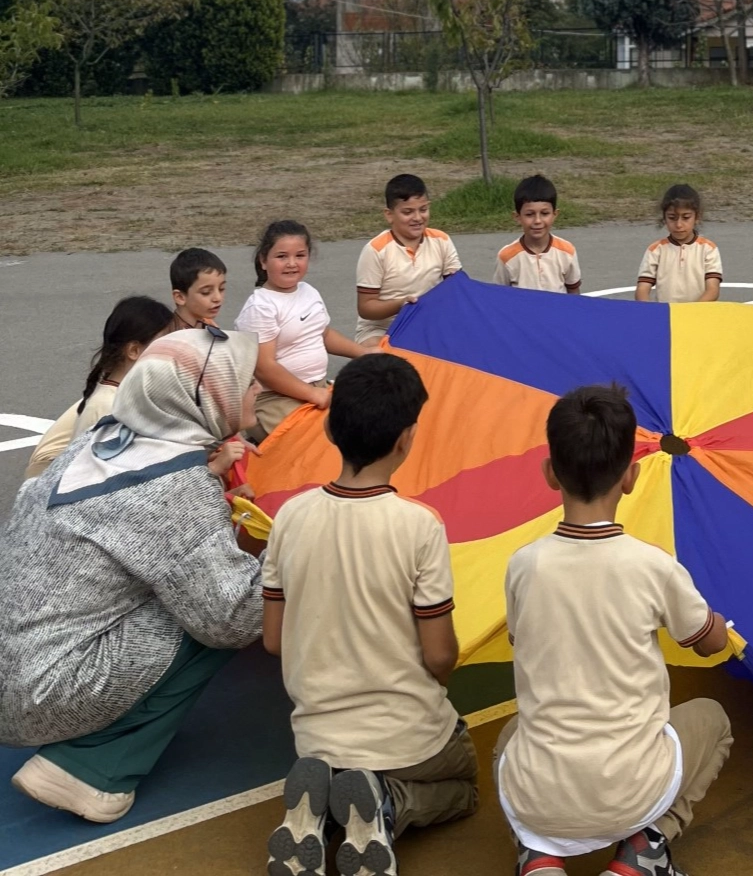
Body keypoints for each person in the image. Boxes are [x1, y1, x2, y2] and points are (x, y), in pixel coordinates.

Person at [2, 329, 264, 822]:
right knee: (222, 607)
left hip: (17, 663)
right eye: (246, 380)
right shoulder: (177, 486)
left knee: (190, 581)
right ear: (210, 395)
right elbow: (231, 619)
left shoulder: (100, 440)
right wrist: (291, 548)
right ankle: (93, 768)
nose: (257, 389)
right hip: (39, 694)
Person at [495, 385, 733, 876]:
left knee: (511, 737)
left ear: (550, 472)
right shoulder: (653, 566)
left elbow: (523, 640)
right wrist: (712, 620)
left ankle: (538, 856)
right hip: (632, 790)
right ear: (631, 476)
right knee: (713, 719)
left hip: (541, 794)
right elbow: (710, 644)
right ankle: (643, 853)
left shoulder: (523, 566)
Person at [263, 354, 476, 876]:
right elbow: (439, 655)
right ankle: (386, 803)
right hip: (407, 737)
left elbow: (273, 640)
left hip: (317, 737)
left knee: (341, 770)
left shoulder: (290, 516)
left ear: (329, 429)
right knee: (465, 786)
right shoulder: (419, 526)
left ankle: (318, 817)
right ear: (407, 438)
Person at [237, 220, 374, 440]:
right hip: (274, 399)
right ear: (263, 260)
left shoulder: (308, 291)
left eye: (300, 255)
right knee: (318, 442)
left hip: (318, 388)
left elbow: (323, 334)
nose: (292, 263)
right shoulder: (261, 306)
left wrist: (364, 353)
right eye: (282, 256)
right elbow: (264, 368)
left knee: (366, 423)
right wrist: (312, 394)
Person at [24, 296, 175, 480]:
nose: (173, 353)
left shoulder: (124, 390)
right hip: (48, 474)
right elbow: (88, 474)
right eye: (165, 344)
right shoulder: (109, 406)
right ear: (134, 351)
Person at [355, 173, 462, 346]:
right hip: (382, 329)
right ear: (389, 215)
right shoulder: (376, 250)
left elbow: (458, 287)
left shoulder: (441, 240)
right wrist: (401, 304)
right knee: (377, 354)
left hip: (429, 322)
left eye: (423, 209)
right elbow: (366, 308)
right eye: (407, 212)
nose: (418, 218)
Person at [493, 173, 582, 294]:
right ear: (517, 217)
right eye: (529, 214)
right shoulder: (506, 256)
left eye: (545, 213)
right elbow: (499, 295)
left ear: (555, 214)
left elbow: (574, 291)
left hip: (558, 307)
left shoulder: (567, 251)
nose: (538, 221)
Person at [635, 184, 723, 303]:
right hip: (667, 312)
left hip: (699, 311)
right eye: (672, 218)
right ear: (664, 218)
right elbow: (642, 289)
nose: (679, 225)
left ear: (697, 217)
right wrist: (650, 310)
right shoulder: (655, 250)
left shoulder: (708, 249)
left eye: (686, 217)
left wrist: (690, 311)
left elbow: (713, 290)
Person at [170, 248, 228, 330]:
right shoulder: (171, 335)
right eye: (206, 292)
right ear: (180, 297)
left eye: (221, 289)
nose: (218, 298)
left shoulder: (207, 324)